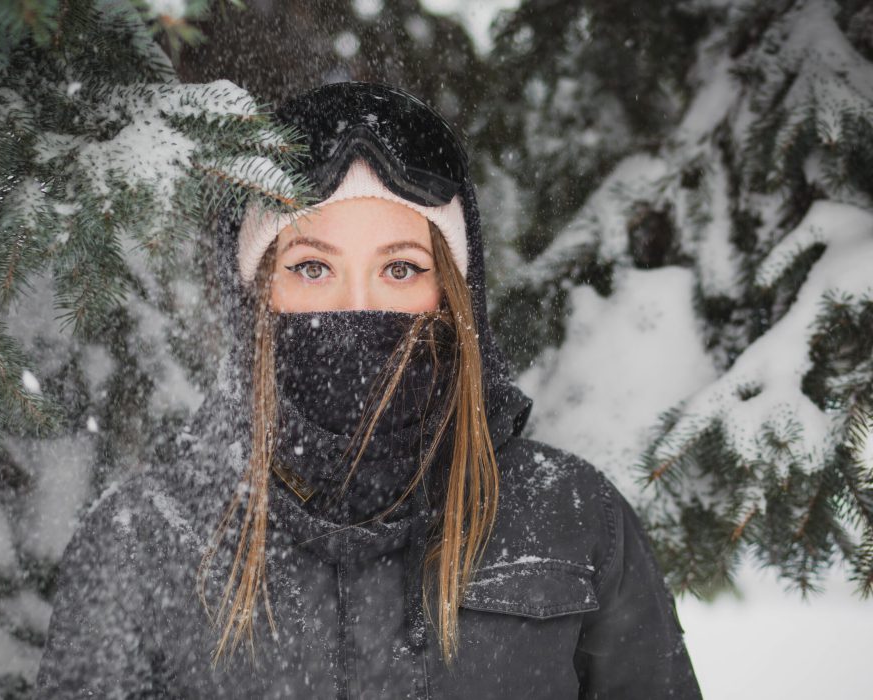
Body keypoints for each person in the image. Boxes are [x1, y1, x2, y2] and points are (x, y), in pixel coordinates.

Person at [35, 82, 702, 699]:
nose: (357, 307)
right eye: (313, 266)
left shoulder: (571, 518)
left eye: (402, 268)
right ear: (254, 295)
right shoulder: (148, 536)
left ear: (453, 296)